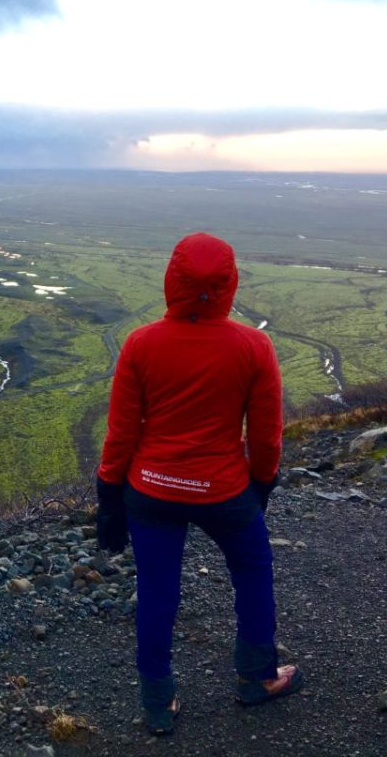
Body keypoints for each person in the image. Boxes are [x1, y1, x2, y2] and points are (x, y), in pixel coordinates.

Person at [95, 232, 303, 735]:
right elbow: (267, 436)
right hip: (226, 491)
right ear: (230, 283)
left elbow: (122, 434)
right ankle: (257, 678)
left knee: (157, 591)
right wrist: (261, 488)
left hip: (149, 490)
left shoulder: (142, 343)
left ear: (173, 279)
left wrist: (109, 500)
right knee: (253, 572)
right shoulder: (254, 345)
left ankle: (156, 702)